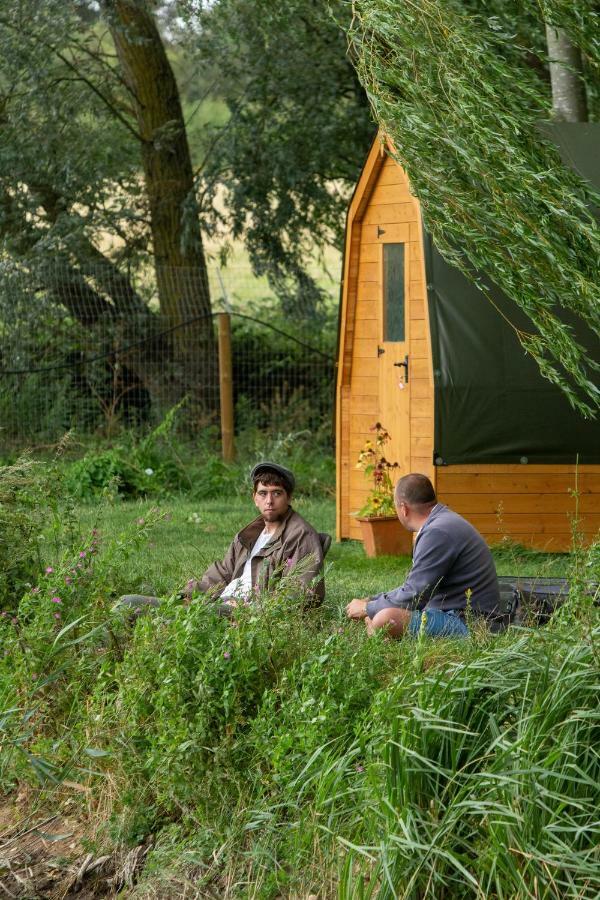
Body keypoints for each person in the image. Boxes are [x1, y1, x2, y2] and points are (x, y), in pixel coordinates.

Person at [345, 473, 500, 638]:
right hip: (456, 612)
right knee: (382, 613)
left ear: (403, 509)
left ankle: (377, 628)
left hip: (471, 623)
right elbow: (414, 588)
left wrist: (367, 608)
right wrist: (372, 601)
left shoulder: (437, 532)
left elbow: (414, 595)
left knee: (386, 618)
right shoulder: (441, 522)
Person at [184, 461, 325, 609]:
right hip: (221, 602)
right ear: (255, 499)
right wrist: (190, 593)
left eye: (277, 493)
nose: (269, 501)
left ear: (289, 497)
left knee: (180, 615)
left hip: (246, 613)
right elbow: (223, 573)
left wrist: (248, 608)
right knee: (165, 606)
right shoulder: (249, 535)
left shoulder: (301, 535)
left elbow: (300, 591)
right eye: (263, 493)